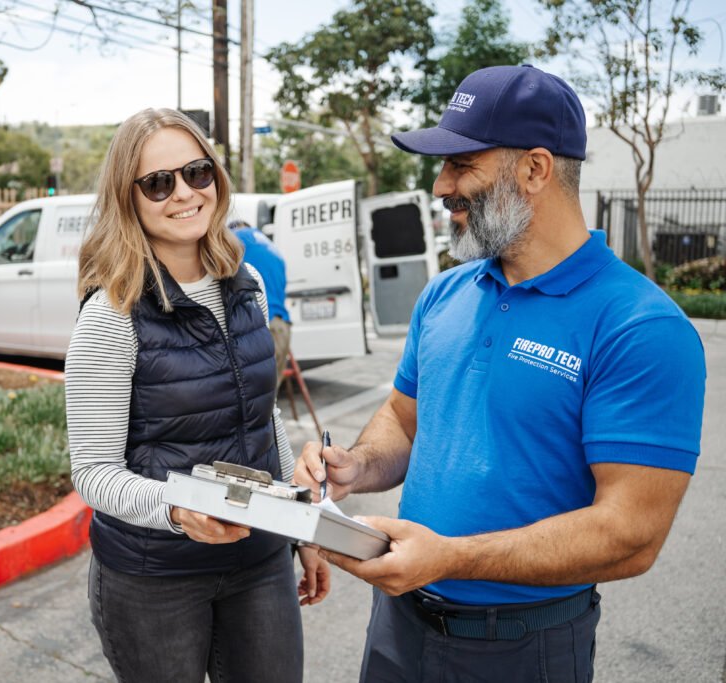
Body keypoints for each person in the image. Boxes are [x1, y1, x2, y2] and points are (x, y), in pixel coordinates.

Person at [295, 65, 706, 682]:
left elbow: (632, 534)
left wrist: (452, 559)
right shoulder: (445, 294)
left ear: (535, 169)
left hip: (523, 649)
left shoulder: (640, 326)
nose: (440, 185)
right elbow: (404, 424)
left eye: (461, 165)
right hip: (399, 626)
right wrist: (358, 465)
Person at [65, 107, 330, 683]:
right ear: (127, 197)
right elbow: (93, 472)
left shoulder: (248, 284)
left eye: (197, 173)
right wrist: (179, 511)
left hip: (258, 562)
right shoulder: (110, 314)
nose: (184, 193)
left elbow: (267, 424)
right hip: (154, 578)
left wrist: (302, 527)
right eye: (159, 183)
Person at [228, 219, 292, 389]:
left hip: (257, 326)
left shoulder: (235, 238)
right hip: (281, 325)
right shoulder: (271, 247)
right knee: (270, 397)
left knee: (252, 395)